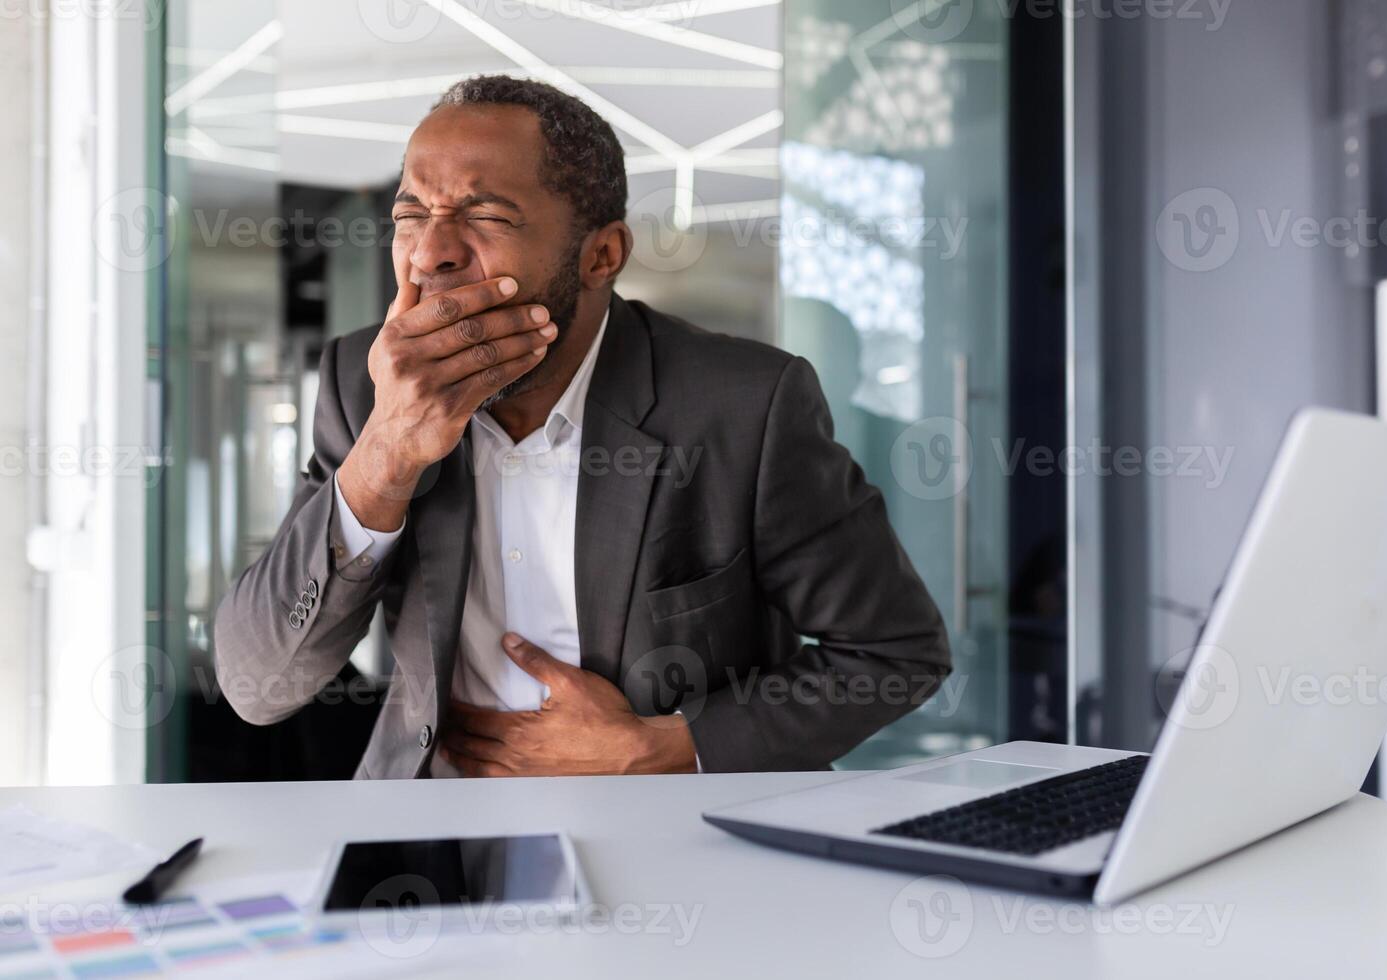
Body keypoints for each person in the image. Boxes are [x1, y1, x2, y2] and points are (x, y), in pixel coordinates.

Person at [213, 75, 950, 778]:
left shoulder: (742, 404)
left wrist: (663, 747)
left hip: (669, 842)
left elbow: (894, 654)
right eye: (411, 216)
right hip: (427, 842)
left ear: (602, 255)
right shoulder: (363, 382)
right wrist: (383, 459)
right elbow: (260, 684)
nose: (431, 252)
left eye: (486, 216)